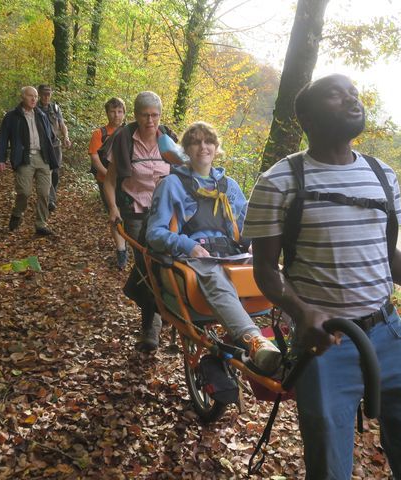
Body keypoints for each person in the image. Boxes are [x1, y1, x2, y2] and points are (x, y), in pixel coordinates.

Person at [244, 74, 401, 479]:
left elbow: (387, 254)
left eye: (354, 93)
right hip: (325, 346)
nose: (352, 99)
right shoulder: (278, 182)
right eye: (336, 95)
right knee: (329, 468)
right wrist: (301, 311)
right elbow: (265, 271)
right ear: (307, 116)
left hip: (388, 335)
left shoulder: (382, 175)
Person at [146, 121, 281, 372]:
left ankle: (299, 336)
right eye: (195, 141)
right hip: (196, 258)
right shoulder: (171, 185)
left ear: (217, 148)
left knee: (279, 269)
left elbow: (245, 226)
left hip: (231, 253)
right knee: (215, 277)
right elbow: (154, 232)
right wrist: (187, 245)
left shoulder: (229, 186)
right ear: (186, 148)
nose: (203, 147)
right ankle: (256, 342)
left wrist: (253, 245)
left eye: (208, 141)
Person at [103, 91, 184, 351]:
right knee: (145, 266)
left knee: (163, 266)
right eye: (144, 115)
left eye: (155, 115)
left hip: (165, 213)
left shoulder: (169, 141)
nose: (150, 120)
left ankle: (160, 315)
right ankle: (152, 326)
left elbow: (183, 177)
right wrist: (113, 207)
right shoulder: (125, 139)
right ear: (136, 115)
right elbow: (109, 178)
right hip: (135, 211)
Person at [0, 86, 58, 236]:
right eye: (30, 96)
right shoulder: (12, 117)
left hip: (43, 158)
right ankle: (17, 213)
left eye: (35, 96)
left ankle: (41, 224)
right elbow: (3, 138)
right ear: (22, 97)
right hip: (24, 158)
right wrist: (1, 159)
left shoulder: (41, 115)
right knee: (24, 192)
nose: (34, 99)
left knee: (44, 193)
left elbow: (50, 136)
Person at [88, 97, 127, 269]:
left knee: (129, 214)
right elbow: (95, 159)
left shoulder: (130, 132)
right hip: (106, 182)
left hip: (127, 184)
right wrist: (110, 177)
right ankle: (121, 251)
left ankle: (128, 243)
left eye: (119, 111)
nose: (116, 115)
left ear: (124, 114)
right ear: (107, 113)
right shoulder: (99, 134)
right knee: (114, 213)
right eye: (112, 111)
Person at [37, 84, 71, 212]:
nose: (46, 96)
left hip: (55, 145)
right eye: (44, 94)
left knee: (55, 173)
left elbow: (62, 125)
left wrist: (66, 137)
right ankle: (50, 200)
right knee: (47, 171)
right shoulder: (35, 109)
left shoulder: (55, 109)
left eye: (48, 94)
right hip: (42, 146)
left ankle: (51, 195)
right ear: (40, 94)